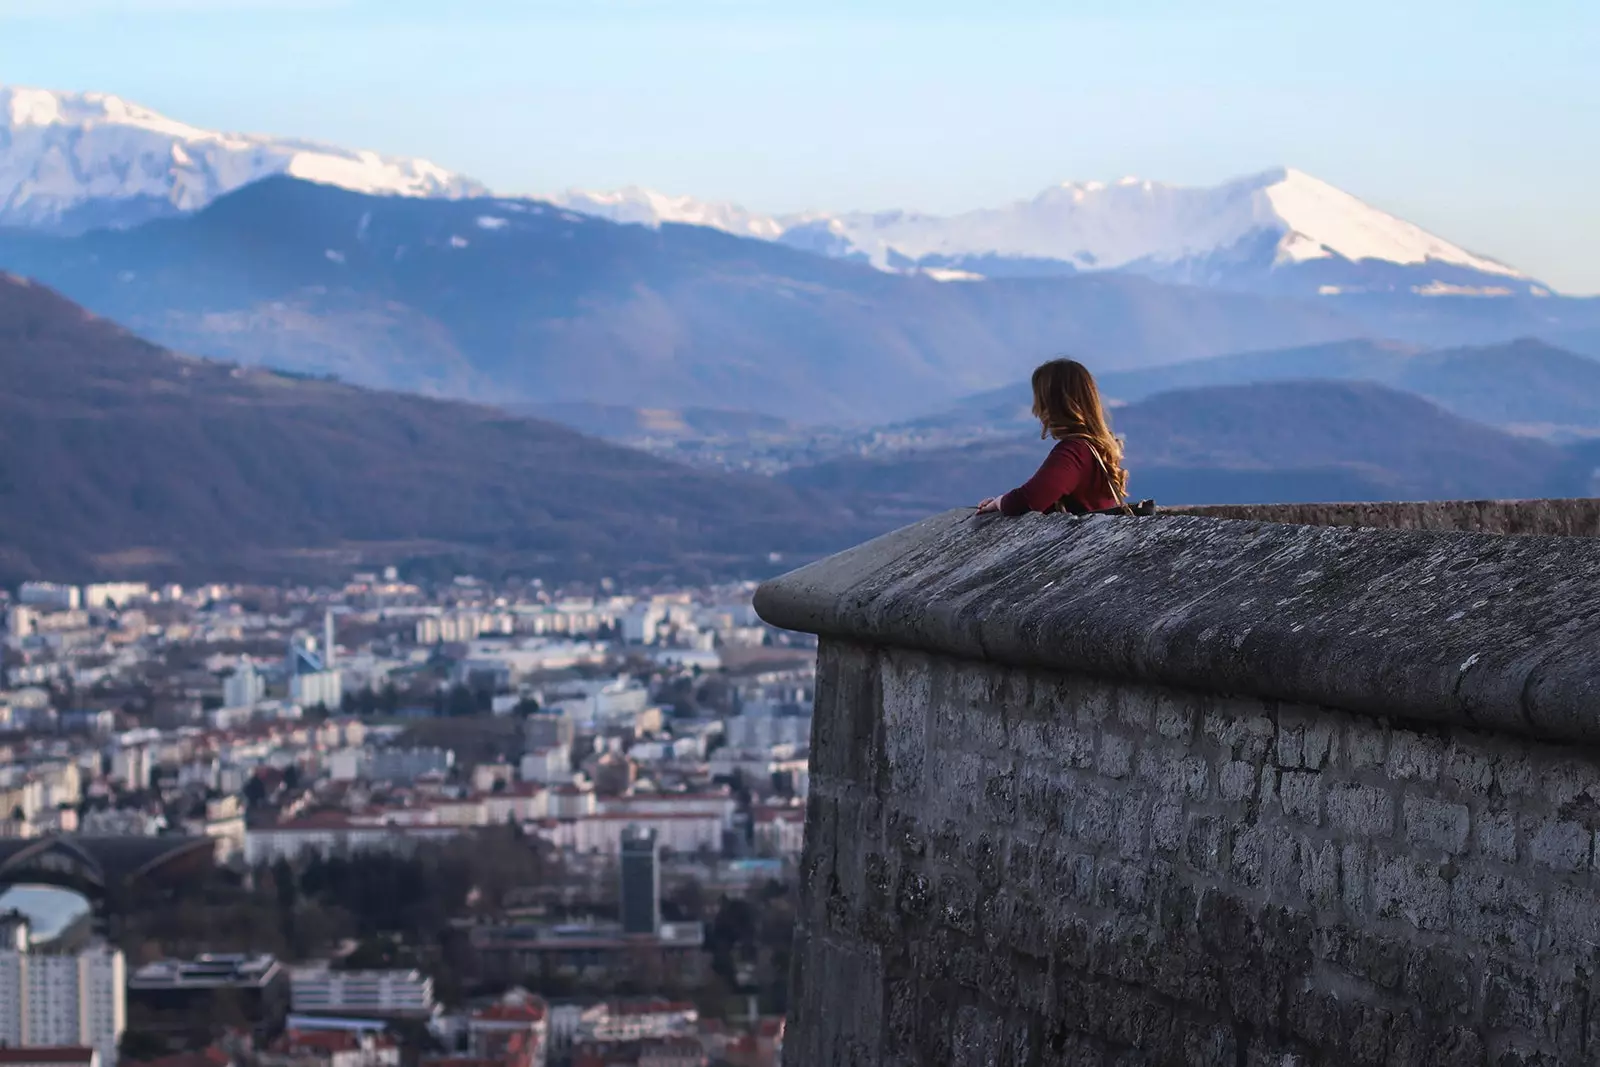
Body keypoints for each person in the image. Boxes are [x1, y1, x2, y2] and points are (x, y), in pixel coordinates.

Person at [976, 358, 1129, 516]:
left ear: (1053, 403)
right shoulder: (1095, 445)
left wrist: (1000, 502)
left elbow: (1031, 500)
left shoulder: (1075, 451)